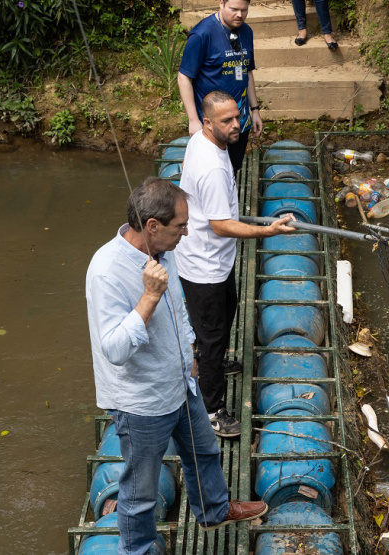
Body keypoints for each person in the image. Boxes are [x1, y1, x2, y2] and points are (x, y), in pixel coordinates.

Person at [85, 177, 268, 555]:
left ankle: (214, 510)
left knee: (204, 452)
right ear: (152, 226)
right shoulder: (106, 271)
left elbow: (179, 306)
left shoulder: (161, 253)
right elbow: (114, 349)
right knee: (140, 491)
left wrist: (190, 352)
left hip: (179, 382)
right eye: (180, 226)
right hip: (141, 401)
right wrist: (149, 296)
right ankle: (136, 549)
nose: (187, 233)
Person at [175, 90, 296, 438]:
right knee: (211, 339)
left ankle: (216, 361)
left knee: (228, 311)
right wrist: (267, 231)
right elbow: (221, 224)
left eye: (237, 117)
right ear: (208, 121)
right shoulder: (212, 166)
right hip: (204, 265)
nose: (236, 125)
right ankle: (212, 411)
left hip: (215, 259)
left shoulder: (203, 139)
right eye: (226, 121)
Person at [178, 0, 261, 173]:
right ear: (221, 3)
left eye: (244, 10)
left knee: (233, 168)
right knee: (209, 171)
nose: (239, 15)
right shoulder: (202, 34)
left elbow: (247, 72)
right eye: (234, 9)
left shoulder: (247, 31)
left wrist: (255, 110)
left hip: (239, 121)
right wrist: (193, 120)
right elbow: (184, 77)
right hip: (212, 124)